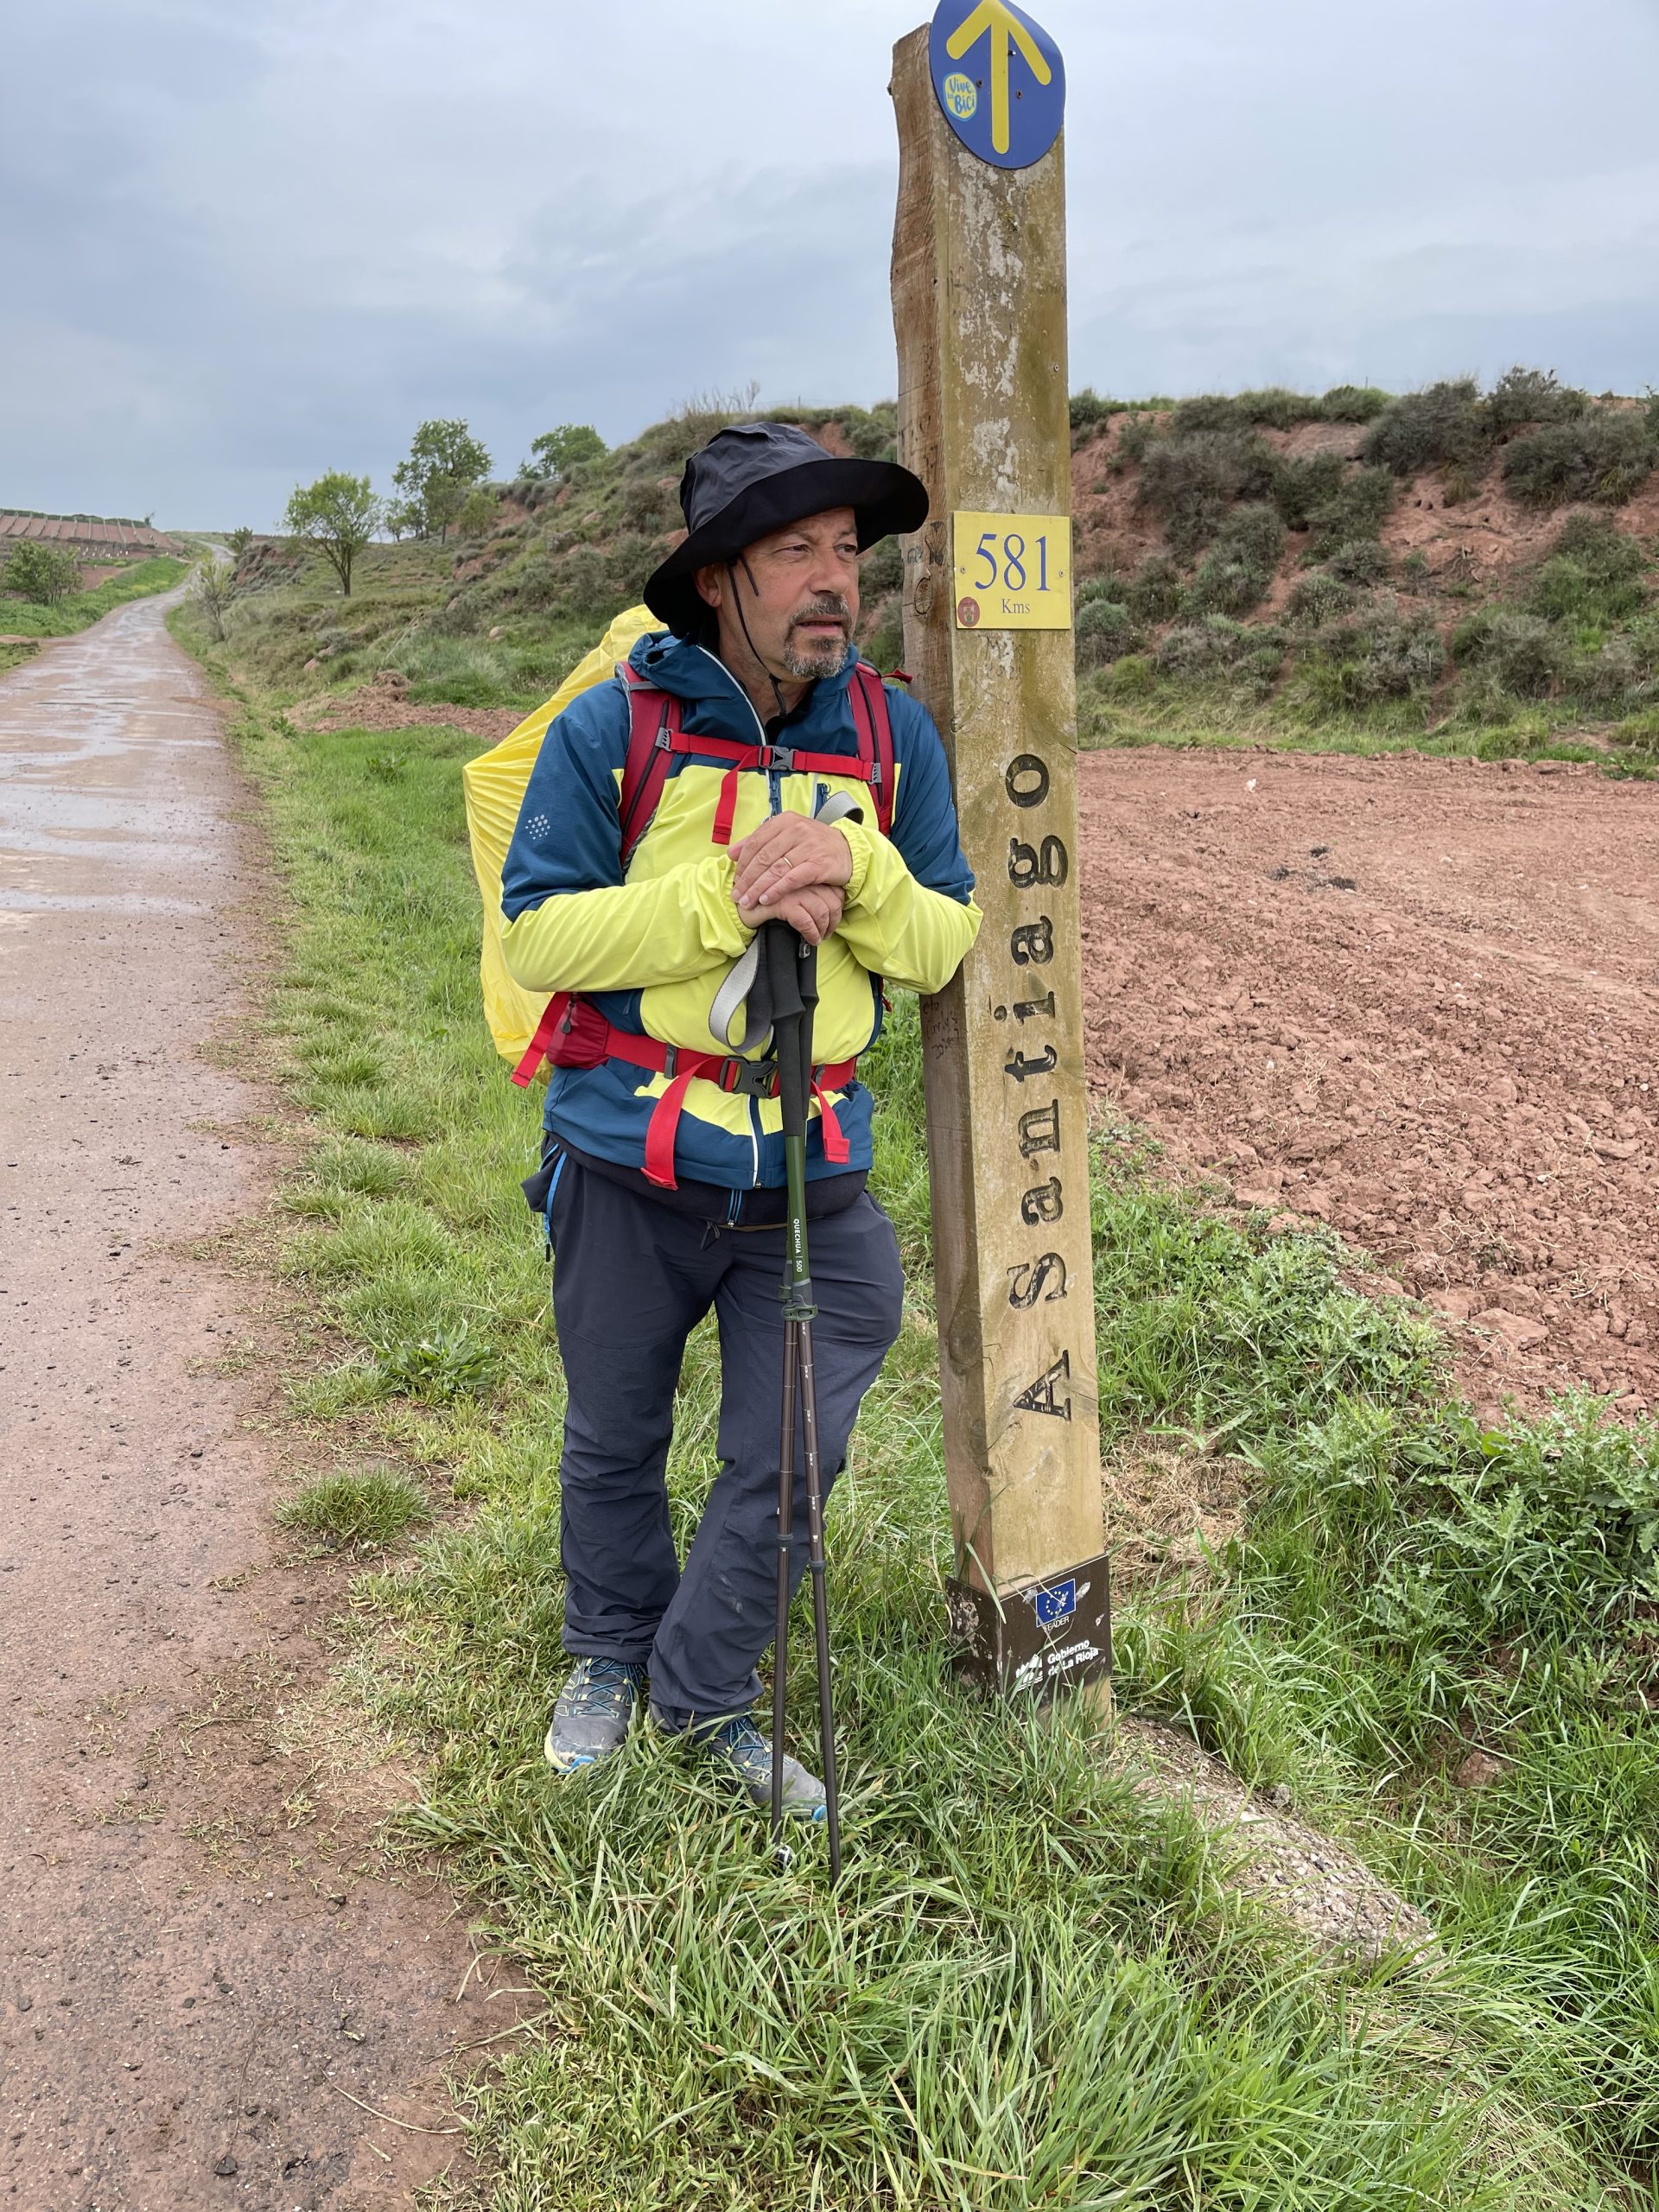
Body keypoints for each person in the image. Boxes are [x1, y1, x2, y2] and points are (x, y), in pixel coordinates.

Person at [499, 421, 981, 1818]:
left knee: (789, 1455)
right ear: (719, 576)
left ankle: (698, 1694)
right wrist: (731, 891)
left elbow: (944, 940)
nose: (834, 581)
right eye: (796, 553)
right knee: (612, 1435)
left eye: (847, 552)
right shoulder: (614, 730)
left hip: (811, 1177)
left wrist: (853, 864)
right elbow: (539, 937)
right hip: (627, 1163)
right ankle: (605, 1651)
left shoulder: (892, 735)